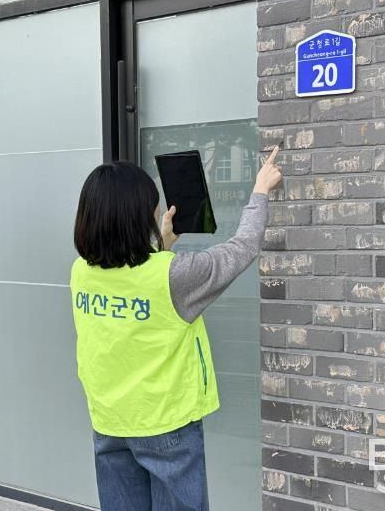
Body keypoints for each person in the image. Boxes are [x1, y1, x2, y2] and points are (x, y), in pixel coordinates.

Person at [70, 145, 282, 511]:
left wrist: (162, 243)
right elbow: (242, 248)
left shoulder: (81, 272)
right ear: (137, 217)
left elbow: (131, 282)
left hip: (109, 422)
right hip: (165, 424)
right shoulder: (173, 276)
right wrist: (260, 190)